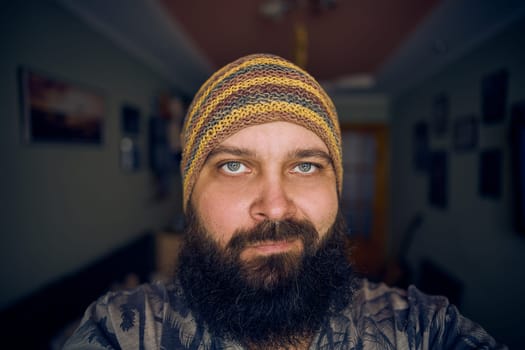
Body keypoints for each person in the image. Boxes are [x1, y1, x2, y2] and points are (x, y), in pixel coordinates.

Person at [64, 53, 505, 349]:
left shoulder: (423, 330)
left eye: (306, 166)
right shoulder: (125, 331)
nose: (275, 207)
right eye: (234, 165)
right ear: (189, 196)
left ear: (337, 187)